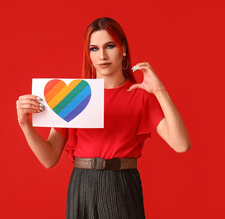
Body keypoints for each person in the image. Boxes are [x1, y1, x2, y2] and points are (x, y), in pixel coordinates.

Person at [16, 17, 191, 219]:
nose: (102, 56)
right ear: (88, 54)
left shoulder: (140, 96)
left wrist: (160, 91)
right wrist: (25, 125)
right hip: (82, 184)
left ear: (123, 48)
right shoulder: (74, 95)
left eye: (110, 46)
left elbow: (181, 145)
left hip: (122, 184)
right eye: (94, 49)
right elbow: (49, 158)